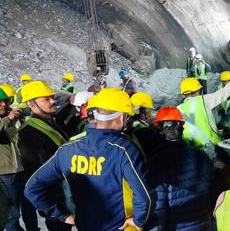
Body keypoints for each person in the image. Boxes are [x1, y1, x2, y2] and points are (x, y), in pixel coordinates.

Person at [24, 88, 152, 231]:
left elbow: (32, 188)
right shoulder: (124, 150)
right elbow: (143, 195)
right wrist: (139, 221)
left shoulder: (67, 149)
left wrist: (62, 215)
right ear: (121, 117)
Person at [144, 107, 213, 230]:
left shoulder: (156, 163)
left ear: (159, 130)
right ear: (181, 128)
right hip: (203, 224)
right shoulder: (203, 156)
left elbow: (158, 209)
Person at [17, 81, 71, 231]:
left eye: (52, 97)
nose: (53, 101)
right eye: (46, 99)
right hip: (57, 203)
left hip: (63, 197)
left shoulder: (48, 122)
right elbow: (37, 178)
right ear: (31, 104)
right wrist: (55, 210)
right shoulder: (29, 134)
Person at [177, 55, 230, 152]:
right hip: (211, 146)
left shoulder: (178, 110)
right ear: (198, 90)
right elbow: (226, 91)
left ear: (183, 95)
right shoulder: (203, 100)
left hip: (191, 151)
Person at [0, 88, 24, 231]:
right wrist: (8, 119)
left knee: (12, 211)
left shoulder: (8, 118)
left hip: (15, 169)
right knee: (11, 212)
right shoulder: (5, 119)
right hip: (4, 172)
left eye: (5, 101)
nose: (3, 104)